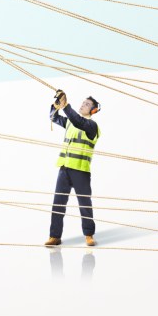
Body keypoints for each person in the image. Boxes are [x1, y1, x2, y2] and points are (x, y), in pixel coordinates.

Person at [45, 90, 101, 247]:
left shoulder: (92, 126)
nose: (83, 105)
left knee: (84, 203)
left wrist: (66, 106)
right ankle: (54, 236)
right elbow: (53, 118)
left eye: (87, 104)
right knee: (58, 203)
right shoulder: (70, 121)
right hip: (64, 168)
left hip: (80, 170)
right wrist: (55, 106)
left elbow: (78, 122)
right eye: (83, 103)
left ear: (93, 110)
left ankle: (89, 234)